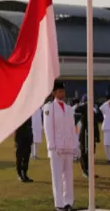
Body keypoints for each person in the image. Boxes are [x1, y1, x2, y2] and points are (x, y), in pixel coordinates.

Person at [43, 81, 77, 211]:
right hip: (56, 147)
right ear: (54, 93)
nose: (62, 93)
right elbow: (48, 128)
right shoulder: (49, 107)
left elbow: (72, 128)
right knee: (57, 177)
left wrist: (75, 145)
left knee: (68, 177)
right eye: (59, 91)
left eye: (63, 91)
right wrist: (51, 146)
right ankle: (59, 204)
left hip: (68, 145)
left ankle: (68, 202)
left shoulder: (69, 108)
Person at [75, 96, 99, 178]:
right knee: (84, 153)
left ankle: (90, 170)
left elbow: (96, 124)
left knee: (92, 153)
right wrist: (85, 104)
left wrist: (97, 136)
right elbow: (77, 109)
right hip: (85, 134)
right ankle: (85, 171)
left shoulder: (93, 110)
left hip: (92, 134)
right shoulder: (83, 108)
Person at [14, 116, 34, 183]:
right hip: (20, 138)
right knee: (19, 157)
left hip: (27, 137)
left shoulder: (29, 115)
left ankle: (25, 174)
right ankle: (20, 174)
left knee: (26, 157)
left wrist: (31, 137)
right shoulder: (19, 114)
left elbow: (30, 126)